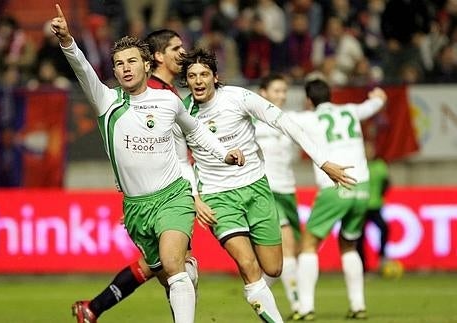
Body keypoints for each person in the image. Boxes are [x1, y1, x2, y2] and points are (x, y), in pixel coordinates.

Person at [50, 6, 245, 323]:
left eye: (131, 61)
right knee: (175, 274)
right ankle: (187, 271)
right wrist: (68, 42)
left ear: (145, 64)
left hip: (173, 196)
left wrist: (223, 152)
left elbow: (194, 131)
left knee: (171, 264)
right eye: (118, 63)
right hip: (137, 208)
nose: (125, 68)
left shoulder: (168, 101)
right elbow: (83, 69)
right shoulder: (107, 101)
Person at [175, 47, 356, 323]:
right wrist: (195, 198)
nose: (198, 81)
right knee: (248, 266)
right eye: (192, 76)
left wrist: (323, 162)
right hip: (218, 197)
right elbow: (180, 160)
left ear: (215, 77)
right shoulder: (183, 113)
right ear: (186, 81)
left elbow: (285, 123)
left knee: (273, 268)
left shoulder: (238, 97)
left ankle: (259, 292)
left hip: (257, 189)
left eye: (204, 74)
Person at [72, 29, 199, 322]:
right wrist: (138, 193)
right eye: (175, 48)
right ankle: (93, 308)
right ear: (156, 58)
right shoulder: (148, 93)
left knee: (170, 267)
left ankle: (93, 309)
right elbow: (173, 151)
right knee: (169, 269)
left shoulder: (168, 95)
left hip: (170, 195)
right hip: (150, 201)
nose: (182, 54)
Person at [291, 78, 387, 321]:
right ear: (331, 95)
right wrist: (379, 97)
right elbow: (372, 105)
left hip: (336, 185)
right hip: (362, 188)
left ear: (309, 100)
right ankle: (358, 305)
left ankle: (305, 307)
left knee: (309, 245)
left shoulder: (308, 117)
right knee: (348, 245)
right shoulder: (350, 110)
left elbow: (278, 119)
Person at [254, 74, 301, 316]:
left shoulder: (290, 121)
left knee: (294, 253)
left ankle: (256, 291)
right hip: (268, 190)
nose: (281, 95)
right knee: (289, 247)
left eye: (284, 91)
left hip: (288, 190)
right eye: (276, 90)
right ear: (263, 93)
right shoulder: (253, 123)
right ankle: (299, 306)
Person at [357, 140, 390, 272]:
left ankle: (382, 256)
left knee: (385, 229)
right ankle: (362, 266)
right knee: (359, 237)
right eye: (366, 150)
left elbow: (387, 184)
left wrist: (380, 195)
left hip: (375, 206)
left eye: (370, 150)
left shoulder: (380, 166)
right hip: (361, 206)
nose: (368, 152)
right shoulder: (358, 165)